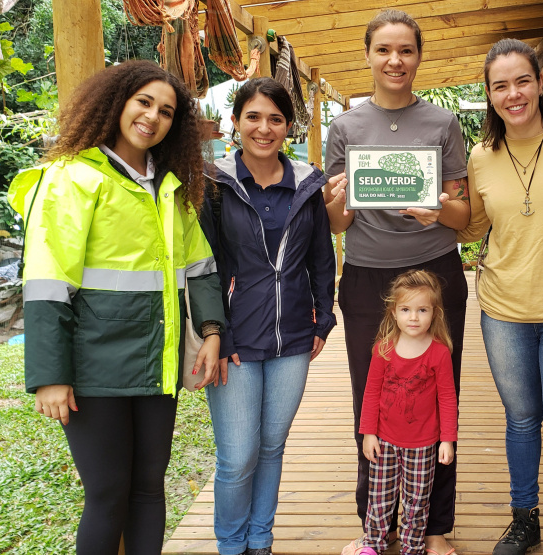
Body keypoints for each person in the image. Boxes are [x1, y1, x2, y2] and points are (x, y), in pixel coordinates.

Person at [8, 60, 225, 554]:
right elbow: (47, 283)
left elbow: (200, 268)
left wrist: (212, 330)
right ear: (116, 103)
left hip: (157, 363)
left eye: (166, 111)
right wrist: (50, 376)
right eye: (144, 102)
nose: (153, 117)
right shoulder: (72, 177)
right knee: (107, 494)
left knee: (149, 489)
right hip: (95, 368)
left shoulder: (170, 186)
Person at [325, 10, 469, 555]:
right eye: (384, 49)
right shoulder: (345, 128)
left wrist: (439, 210)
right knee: (372, 395)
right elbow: (338, 223)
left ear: (418, 57)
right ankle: (376, 526)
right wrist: (339, 204)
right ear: (367, 55)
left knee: (439, 396)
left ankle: (434, 528)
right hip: (367, 277)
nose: (395, 60)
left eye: (406, 50)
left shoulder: (443, 124)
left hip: (435, 272)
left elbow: (462, 213)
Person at [458, 38, 543, 555]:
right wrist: (433, 210)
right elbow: (472, 227)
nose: (513, 94)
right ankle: (525, 520)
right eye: (500, 86)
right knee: (520, 421)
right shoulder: (481, 156)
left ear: (541, 83)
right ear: (490, 94)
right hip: (503, 309)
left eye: (522, 81)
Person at [200, 77, 336, 555]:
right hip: (234, 338)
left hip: (292, 338)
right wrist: (217, 333)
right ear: (235, 122)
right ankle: (230, 544)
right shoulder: (214, 183)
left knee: (272, 446)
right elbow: (204, 268)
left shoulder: (306, 183)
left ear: (289, 126)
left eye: (275, 119)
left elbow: (321, 256)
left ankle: (260, 539)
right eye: (253, 117)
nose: (264, 128)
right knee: (238, 455)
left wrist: (323, 319)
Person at [355, 269, 458, 555]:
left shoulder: (439, 352)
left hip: (423, 444)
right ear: (393, 312)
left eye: (422, 310)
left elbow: (447, 398)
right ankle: (373, 544)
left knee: (417, 501)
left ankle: (412, 547)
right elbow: (371, 394)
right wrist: (368, 433)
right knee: (380, 498)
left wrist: (447, 439)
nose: (414, 317)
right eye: (406, 310)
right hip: (384, 440)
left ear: (434, 313)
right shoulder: (383, 350)